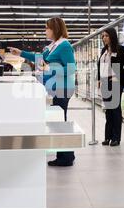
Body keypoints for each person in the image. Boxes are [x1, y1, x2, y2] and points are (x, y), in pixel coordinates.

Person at [9, 17, 77, 167]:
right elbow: (39, 58)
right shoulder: (52, 46)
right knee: (60, 120)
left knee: (60, 122)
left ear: (55, 29)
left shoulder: (64, 46)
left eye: (47, 28)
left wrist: (50, 68)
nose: (45, 31)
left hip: (63, 88)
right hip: (55, 88)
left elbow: (72, 68)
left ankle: (66, 157)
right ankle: (66, 154)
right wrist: (20, 53)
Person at [97, 28, 124, 147]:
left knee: (115, 110)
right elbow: (99, 66)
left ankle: (116, 138)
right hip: (105, 82)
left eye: (106, 36)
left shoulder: (120, 49)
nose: (104, 38)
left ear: (112, 36)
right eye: (103, 36)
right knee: (108, 110)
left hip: (116, 82)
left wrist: (117, 75)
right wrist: (99, 79)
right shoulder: (104, 50)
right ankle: (107, 137)